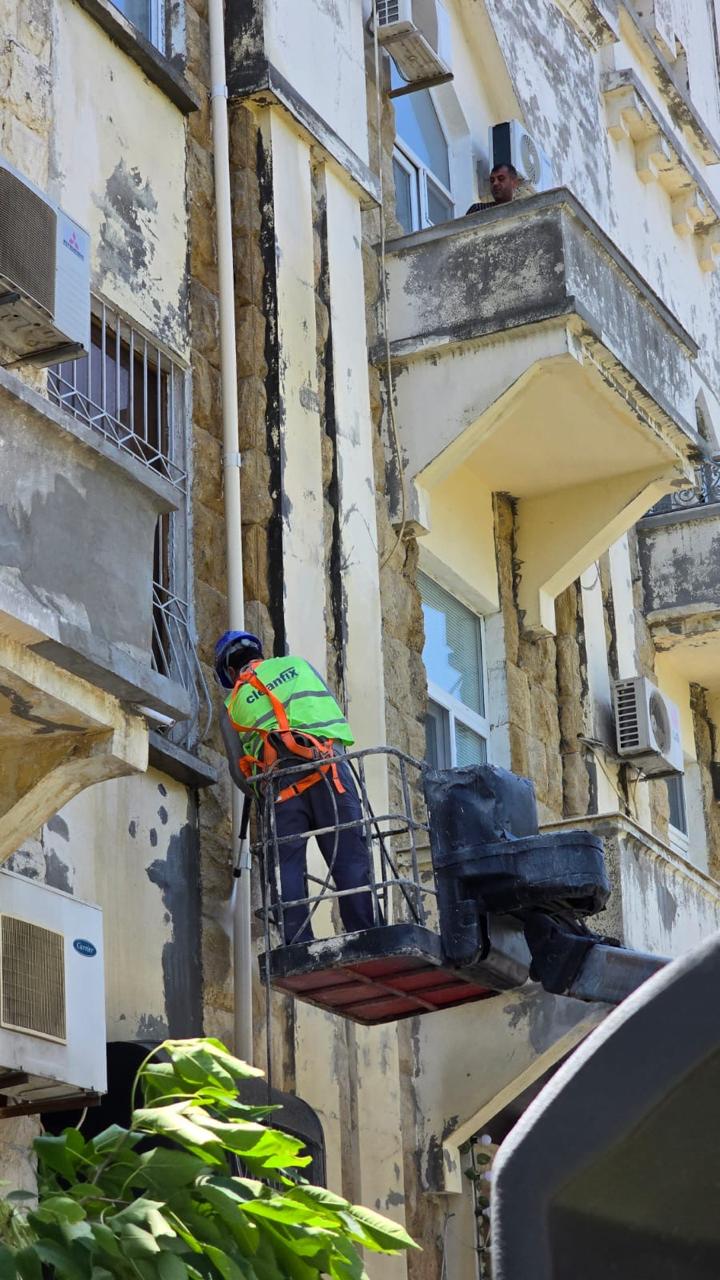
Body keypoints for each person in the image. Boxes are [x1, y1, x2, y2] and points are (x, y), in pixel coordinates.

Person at [216, 629, 377, 946]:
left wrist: (259, 791)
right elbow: (329, 713)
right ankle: (366, 935)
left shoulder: (231, 706)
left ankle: (297, 944)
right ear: (258, 654)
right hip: (330, 770)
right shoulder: (298, 666)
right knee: (349, 857)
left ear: (230, 671)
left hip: (281, 788)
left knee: (285, 865)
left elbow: (239, 774)